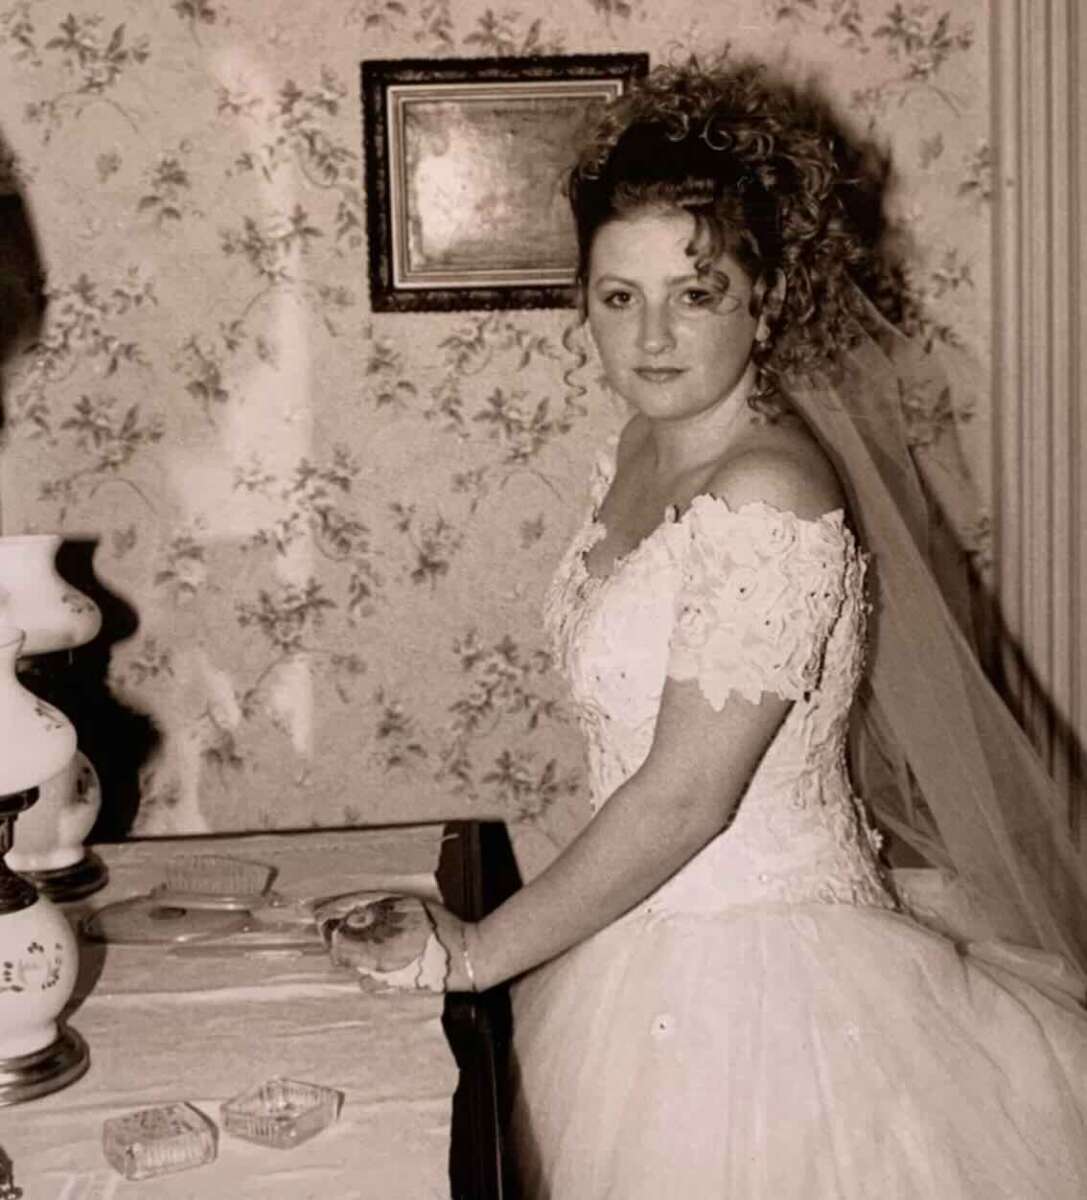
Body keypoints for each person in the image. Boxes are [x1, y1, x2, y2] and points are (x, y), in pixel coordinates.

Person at [330, 57, 1087, 1197]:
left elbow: (687, 796)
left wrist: (477, 952)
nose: (652, 336)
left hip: (776, 981)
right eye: (617, 296)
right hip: (647, 944)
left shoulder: (767, 491)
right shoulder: (641, 448)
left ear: (766, 298)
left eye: (698, 293)